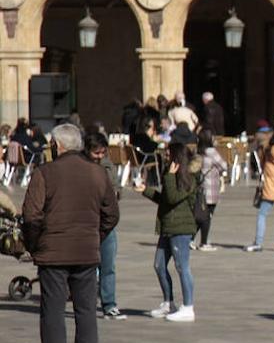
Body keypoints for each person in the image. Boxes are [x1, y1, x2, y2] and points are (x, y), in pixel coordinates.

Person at [23, 125, 120, 343]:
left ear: (57, 145)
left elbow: (31, 216)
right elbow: (112, 215)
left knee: (53, 310)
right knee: (86, 310)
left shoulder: (44, 173)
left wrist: (34, 246)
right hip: (87, 252)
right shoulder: (98, 174)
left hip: (53, 253)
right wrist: (94, 237)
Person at [136, 142, 200, 323]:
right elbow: (165, 200)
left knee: (182, 267)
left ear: (176, 157)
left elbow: (172, 198)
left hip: (181, 229)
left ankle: (188, 307)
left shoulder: (189, 179)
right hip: (167, 227)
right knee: (159, 265)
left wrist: (170, 176)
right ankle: (168, 302)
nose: (164, 156)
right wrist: (146, 191)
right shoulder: (170, 176)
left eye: (167, 154)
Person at [84, 133, 126, 320]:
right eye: (96, 153)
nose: (100, 156)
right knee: (86, 267)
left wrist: (115, 193)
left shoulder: (108, 165)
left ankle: (109, 304)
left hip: (107, 223)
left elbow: (118, 188)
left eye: (102, 152)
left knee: (108, 266)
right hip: (86, 222)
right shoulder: (82, 168)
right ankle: (85, 303)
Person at [195, 130, 226, 252]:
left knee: (199, 214)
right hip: (211, 187)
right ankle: (204, 242)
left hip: (200, 187)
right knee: (207, 216)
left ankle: (191, 239)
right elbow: (223, 165)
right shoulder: (211, 152)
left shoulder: (198, 152)